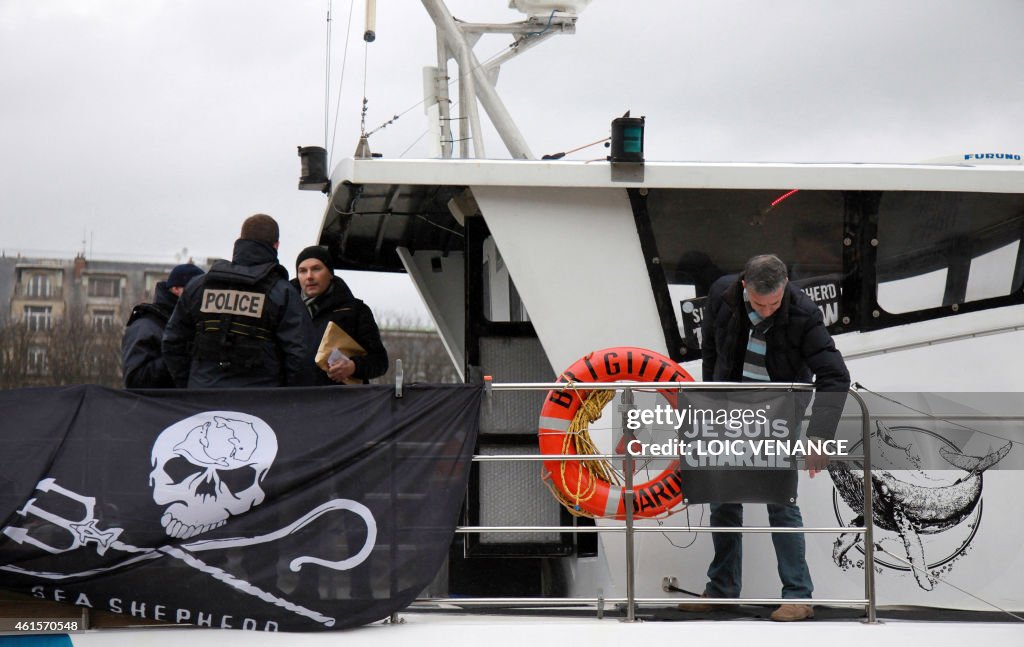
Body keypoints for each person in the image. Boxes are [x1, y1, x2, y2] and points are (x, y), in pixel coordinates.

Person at [687, 253, 850, 622]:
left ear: (784, 289)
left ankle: (798, 596)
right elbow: (711, 349)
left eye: (775, 303)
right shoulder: (721, 295)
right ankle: (721, 592)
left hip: (779, 412)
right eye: (760, 304)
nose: (768, 310)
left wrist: (819, 436)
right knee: (722, 502)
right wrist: (711, 402)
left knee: (781, 503)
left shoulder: (805, 314)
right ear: (744, 286)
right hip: (729, 410)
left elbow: (835, 376)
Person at [162, 214, 313, 388]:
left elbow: (172, 342)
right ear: (276, 245)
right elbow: (300, 356)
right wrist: (285, 399)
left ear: (240, 241)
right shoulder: (283, 292)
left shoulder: (198, 286)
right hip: (261, 403)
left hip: (203, 400)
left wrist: (189, 385)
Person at [292, 245, 388, 384]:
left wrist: (353, 366)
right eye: (302, 271)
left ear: (330, 273)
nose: (309, 276)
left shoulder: (356, 311)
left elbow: (380, 362)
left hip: (341, 401)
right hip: (293, 400)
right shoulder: (285, 311)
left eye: (316, 269)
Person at [121, 263, 204, 388]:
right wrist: (177, 355)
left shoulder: (192, 324)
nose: (200, 297)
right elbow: (135, 380)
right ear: (176, 289)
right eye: (194, 291)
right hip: (157, 405)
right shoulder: (146, 325)